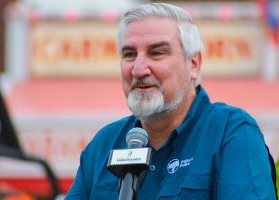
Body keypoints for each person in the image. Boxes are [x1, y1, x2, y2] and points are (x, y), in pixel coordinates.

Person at [66, 3, 277, 199]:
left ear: (194, 63)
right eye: (129, 54)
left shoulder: (230, 133)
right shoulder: (103, 145)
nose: (138, 69)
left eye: (156, 53)